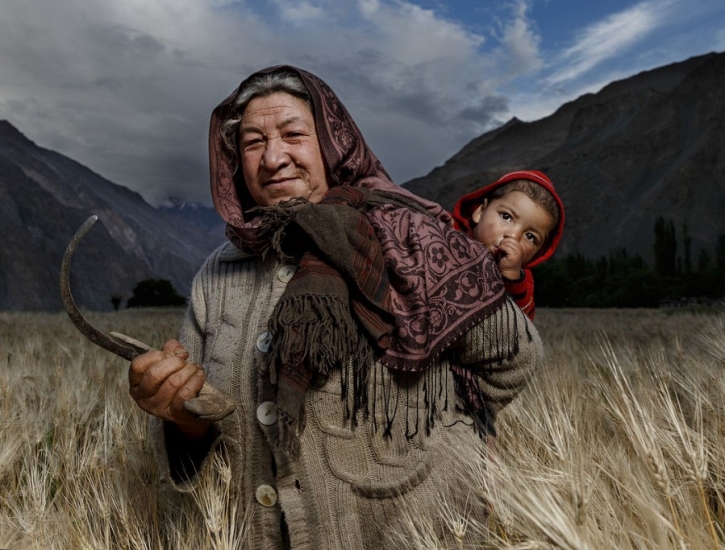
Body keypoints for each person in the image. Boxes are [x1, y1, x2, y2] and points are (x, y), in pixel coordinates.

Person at [128, 66, 542, 549]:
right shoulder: (218, 275)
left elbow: (515, 360)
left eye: (293, 134)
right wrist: (182, 417)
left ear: (333, 143)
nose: (273, 157)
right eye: (253, 143)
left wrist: (447, 442)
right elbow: (199, 418)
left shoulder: (411, 240)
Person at [453, 170, 565, 320]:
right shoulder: (447, 229)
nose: (513, 236)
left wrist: (511, 276)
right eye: (506, 217)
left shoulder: (524, 282)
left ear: (538, 252)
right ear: (481, 211)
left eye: (530, 236)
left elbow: (520, 326)